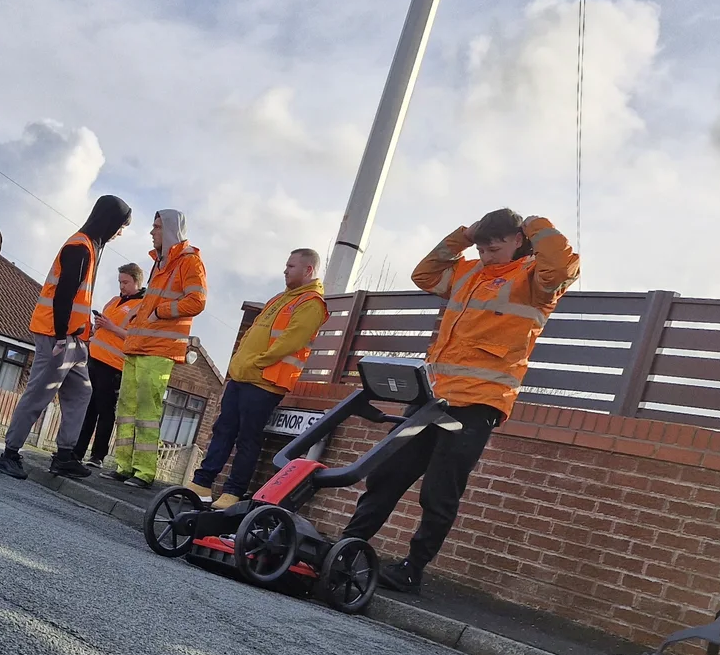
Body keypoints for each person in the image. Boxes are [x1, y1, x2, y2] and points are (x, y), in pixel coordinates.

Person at [342, 208, 579, 593]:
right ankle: (348, 546)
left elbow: (563, 267)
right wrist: (464, 236)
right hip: (431, 396)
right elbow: (424, 275)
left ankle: (412, 570)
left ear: (518, 240)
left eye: (494, 248)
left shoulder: (535, 279)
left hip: (478, 404)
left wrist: (536, 224)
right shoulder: (468, 273)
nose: (486, 255)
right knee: (386, 474)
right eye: (482, 248)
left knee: (439, 491)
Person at [0, 196, 132, 480]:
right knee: (39, 393)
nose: (120, 233)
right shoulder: (79, 247)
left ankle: (65, 456)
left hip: (74, 340)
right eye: (121, 226)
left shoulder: (89, 247)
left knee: (82, 392)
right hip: (57, 337)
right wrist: (60, 336)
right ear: (109, 221)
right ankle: (9, 453)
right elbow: (64, 294)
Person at [190, 247, 329, 510]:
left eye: (291, 266)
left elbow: (292, 340)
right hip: (244, 376)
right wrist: (241, 364)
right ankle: (202, 484)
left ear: (308, 270)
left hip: (265, 382)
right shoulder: (281, 298)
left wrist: (257, 362)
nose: (285, 271)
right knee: (223, 430)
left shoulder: (311, 303)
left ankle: (233, 492)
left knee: (247, 438)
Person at [107, 209, 206, 489]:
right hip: (138, 345)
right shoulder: (160, 263)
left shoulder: (190, 262)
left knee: (146, 411)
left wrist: (160, 312)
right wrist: (141, 315)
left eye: (157, 227)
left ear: (171, 230)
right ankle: (124, 465)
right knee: (126, 407)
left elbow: (197, 302)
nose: (152, 232)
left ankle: (143, 471)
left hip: (159, 349)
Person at [71, 263, 144, 466]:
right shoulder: (114, 301)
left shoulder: (142, 306)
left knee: (104, 410)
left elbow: (136, 338)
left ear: (137, 281)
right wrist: (99, 326)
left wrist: (110, 327)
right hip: (94, 359)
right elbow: (104, 329)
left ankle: (98, 456)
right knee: (88, 408)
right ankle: (77, 451)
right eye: (120, 282)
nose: (121, 286)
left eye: (126, 282)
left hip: (113, 366)